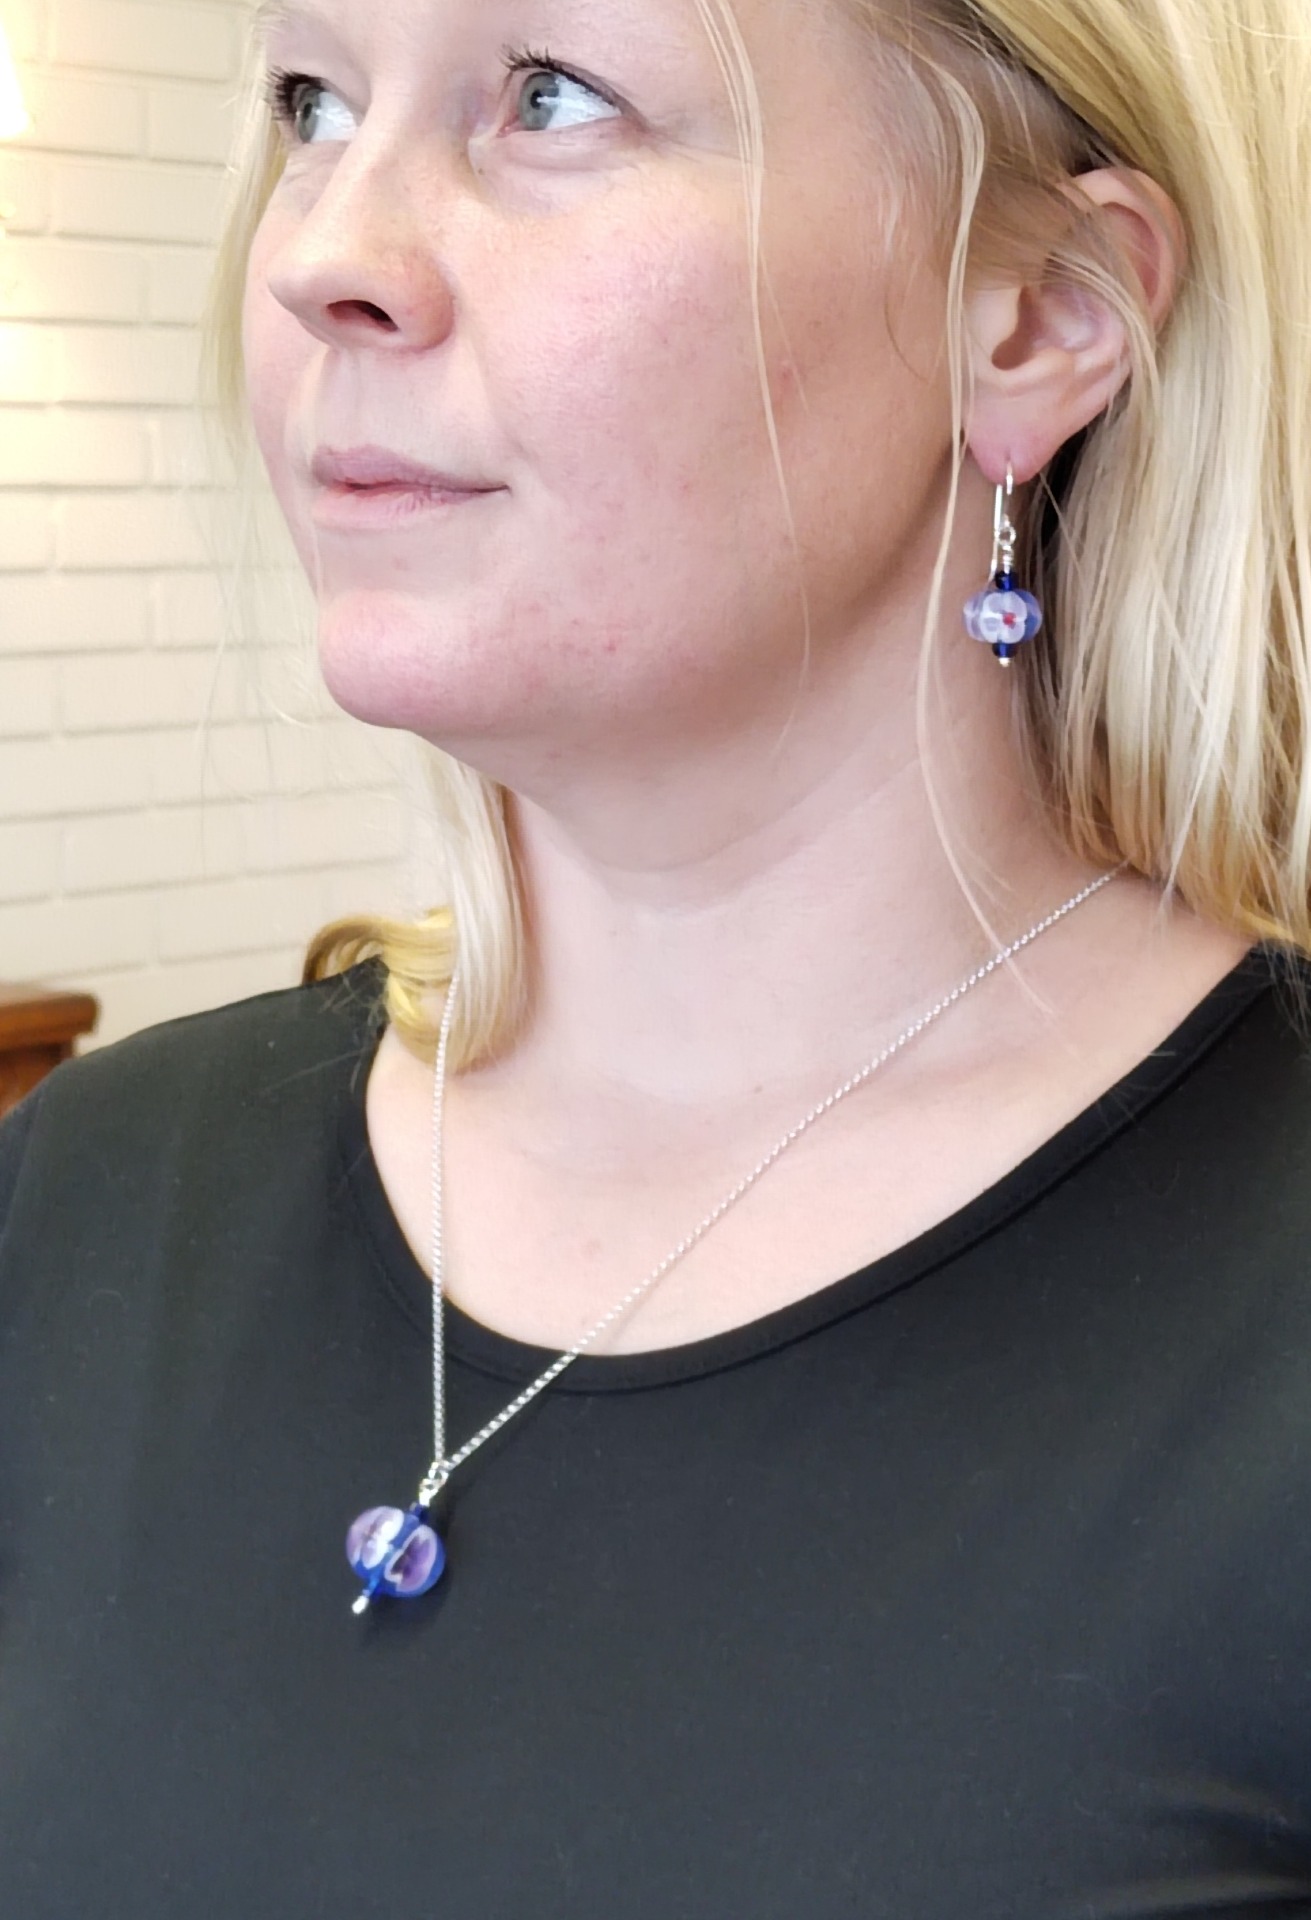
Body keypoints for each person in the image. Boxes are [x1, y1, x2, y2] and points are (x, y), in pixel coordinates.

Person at [2, 0, 1309, 1910]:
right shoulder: (84, 1201)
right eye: (312, 103)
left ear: (1039, 316)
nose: (318, 256)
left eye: (553, 98)